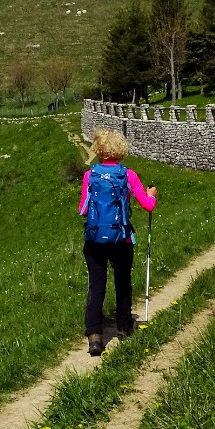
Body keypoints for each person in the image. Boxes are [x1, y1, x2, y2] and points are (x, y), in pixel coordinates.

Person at [78, 127, 157, 356]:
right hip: (121, 238)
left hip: (94, 240)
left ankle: (94, 336)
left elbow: (83, 210)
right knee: (123, 282)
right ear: (119, 149)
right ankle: (124, 328)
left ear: (99, 149)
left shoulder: (90, 175)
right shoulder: (127, 175)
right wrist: (152, 194)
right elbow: (148, 205)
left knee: (96, 286)